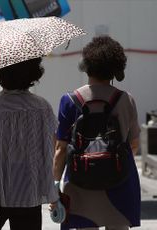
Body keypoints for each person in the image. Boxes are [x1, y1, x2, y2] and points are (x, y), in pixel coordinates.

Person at [52, 36, 141, 229]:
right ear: (116, 68)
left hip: (79, 184)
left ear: (86, 65)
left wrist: (54, 184)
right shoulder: (126, 100)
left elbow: (60, 148)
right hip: (119, 184)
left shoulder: (69, 101)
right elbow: (134, 144)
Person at [0, 58, 59, 230]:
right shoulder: (43, 107)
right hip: (29, 191)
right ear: (33, 73)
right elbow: (53, 145)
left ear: (0, 73)